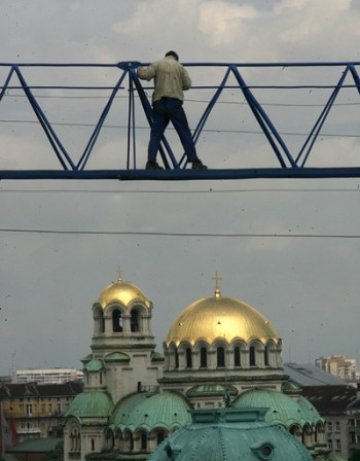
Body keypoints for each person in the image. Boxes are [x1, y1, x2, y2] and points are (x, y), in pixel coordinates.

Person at [137, 51, 207, 170]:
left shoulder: (157, 63)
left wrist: (138, 68)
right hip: (174, 103)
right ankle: (194, 161)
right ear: (176, 58)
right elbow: (187, 84)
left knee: (156, 134)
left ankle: (151, 162)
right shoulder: (179, 67)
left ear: (166, 56)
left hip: (159, 103)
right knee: (184, 132)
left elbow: (145, 75)